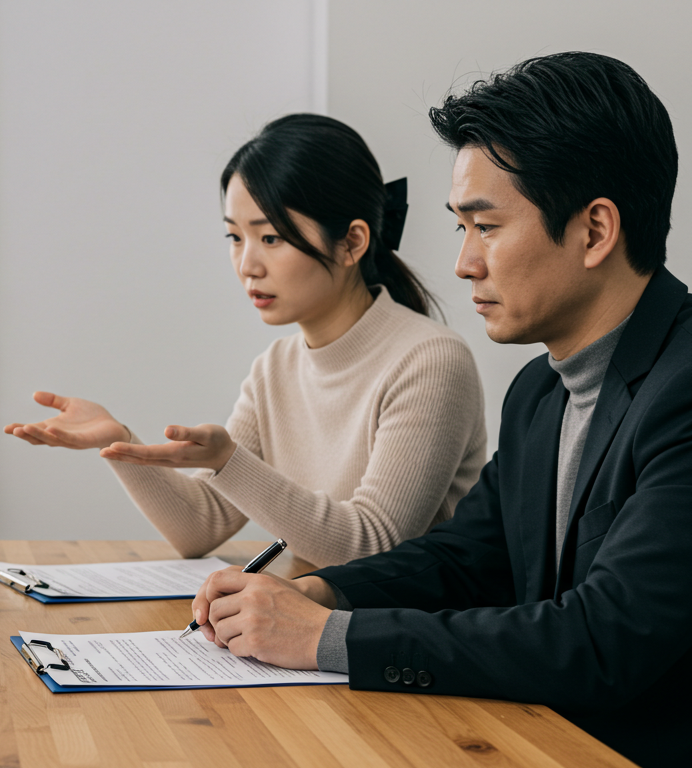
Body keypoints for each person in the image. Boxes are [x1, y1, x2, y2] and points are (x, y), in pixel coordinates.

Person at [188, 53, 690, 768]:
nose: (463, 263)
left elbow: (603, 640)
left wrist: (324, 637)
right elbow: (465, 559)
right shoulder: (540, 393)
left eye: (485, 227)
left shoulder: (684, 390)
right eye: (460, 227)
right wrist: (319, 590)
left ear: (595, 231)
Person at [4, 114, 486, 567]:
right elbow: (200, 525)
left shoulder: (430, 361)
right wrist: (121, 444)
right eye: (235, 237)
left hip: (399, 644)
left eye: (271, 238)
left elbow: (371, 546)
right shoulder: (276, 367)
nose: (247, 265)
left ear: (352, 243)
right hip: (309, 627)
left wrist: (229, 461)